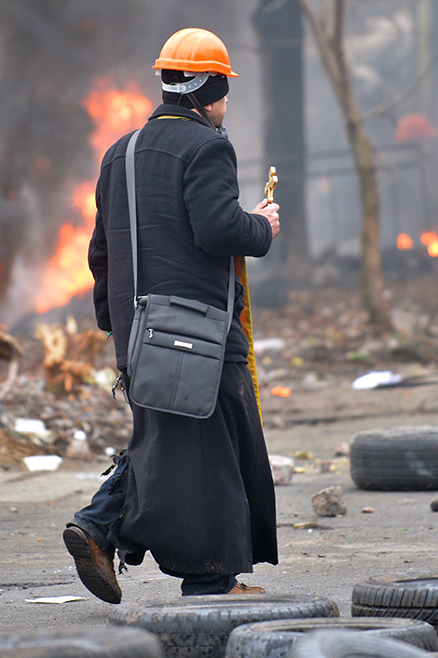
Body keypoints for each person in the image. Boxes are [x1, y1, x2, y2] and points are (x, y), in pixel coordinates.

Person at [63, 27, 280, 602]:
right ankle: (210, 581)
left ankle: (98, 525)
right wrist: (262, 225)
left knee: (166, 438)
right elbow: (219, 229)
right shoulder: (208, 146)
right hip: (198, 331)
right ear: (208, 86)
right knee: (213, 446)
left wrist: (115, 325)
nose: (225, 101)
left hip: (137, 331)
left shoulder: (121, 152)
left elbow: (100, 252)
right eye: (224, 88)